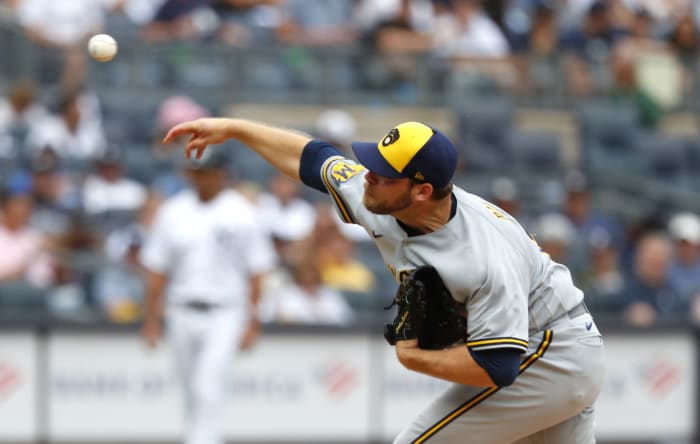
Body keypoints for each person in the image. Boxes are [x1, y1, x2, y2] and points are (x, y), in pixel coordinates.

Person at [162, 117, 606, 443]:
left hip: (550, 351)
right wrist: (236, 129)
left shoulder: (483, 256)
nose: (367, 175)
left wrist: (417, 359)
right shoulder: (381, 196)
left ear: (422, 191)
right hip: (553, 352)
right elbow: (313, 158)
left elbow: (499, 367)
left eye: (382, 172)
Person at [139, 146, 276, 444]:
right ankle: (199, 438)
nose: (202, 178)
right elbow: (157, 270)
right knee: (190, 389)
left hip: (225, 310)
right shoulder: (173, 212)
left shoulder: (242, 212)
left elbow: (257, 272)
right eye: (197, 171)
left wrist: (253, 321)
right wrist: (150, 320)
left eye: (208, 171)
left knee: (208, 386)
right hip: (181, 309)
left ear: (222, 173)